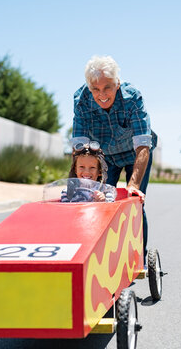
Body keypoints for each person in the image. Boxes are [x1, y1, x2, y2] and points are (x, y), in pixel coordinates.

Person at [72, 55, 156, 255]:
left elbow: (143, 145)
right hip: (106, 156)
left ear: (117, 84)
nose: (102, 94)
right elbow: (79, 148)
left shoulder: (132, 97)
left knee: (133, 201)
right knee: (97, 200)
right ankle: (102, 254)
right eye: (95, 89)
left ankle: (138, 257)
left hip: (136, 154)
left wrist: (133, 186)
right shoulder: (81, 100)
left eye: (107, 87)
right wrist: (78, 185)